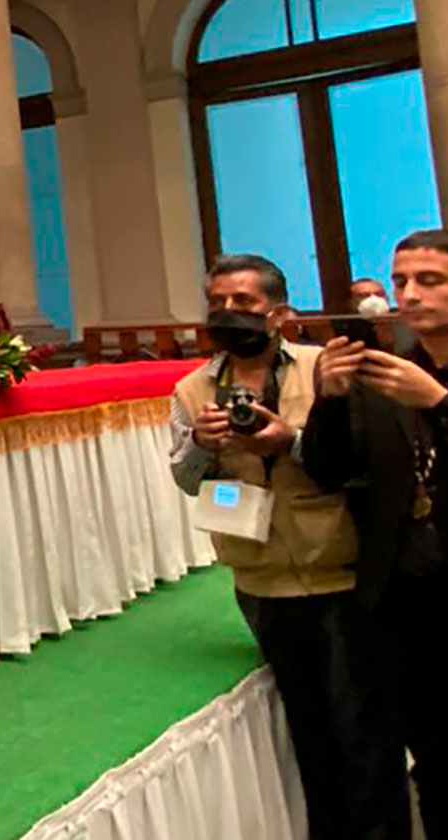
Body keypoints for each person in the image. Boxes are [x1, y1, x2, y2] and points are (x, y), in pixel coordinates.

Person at [169, 254, 407, 840]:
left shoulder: (324, 368)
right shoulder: (192, 388)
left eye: (243, 303)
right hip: (260, 578)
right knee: (309, 732)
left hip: (339, 570)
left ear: (277, 314)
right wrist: (201, 444)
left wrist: (288, 441)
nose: (227, 313)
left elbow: (362, 462)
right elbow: (185, 478)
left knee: (365, 733)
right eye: (217, 303)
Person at [309, 228, 448, 837]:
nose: (409, 295)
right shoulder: (387, 374)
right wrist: (330, 402)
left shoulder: (423, 384)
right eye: (401, 281)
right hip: (407, 599)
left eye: (430, 280)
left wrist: (439, 404)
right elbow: (330, 472)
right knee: (437, 765)